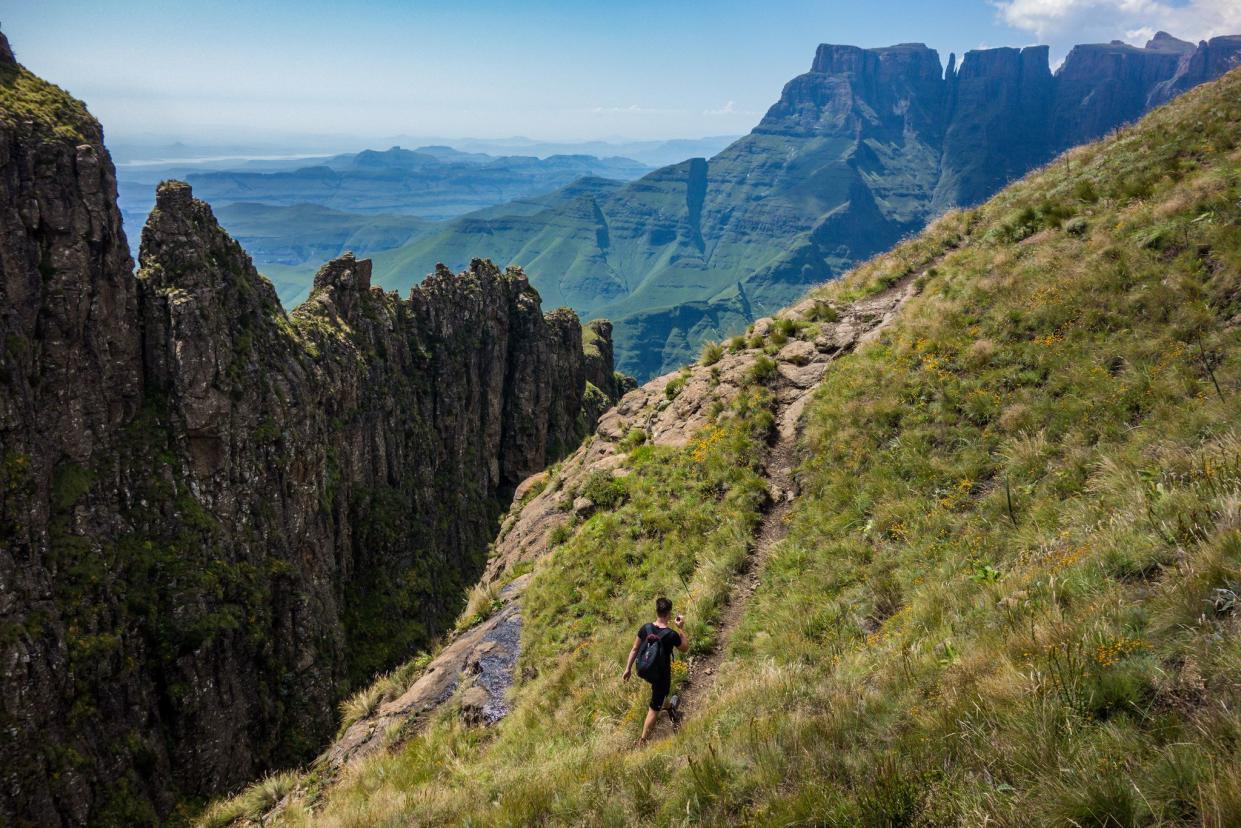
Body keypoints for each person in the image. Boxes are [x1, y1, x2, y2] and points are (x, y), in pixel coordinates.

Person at [621, 596, 689, 745]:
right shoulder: (671, 635)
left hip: (645, 670)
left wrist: (627, 669)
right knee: (654, 707)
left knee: (661, 694)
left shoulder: (645, 628)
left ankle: (669, 707)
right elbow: (684, 648)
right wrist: (681, 628)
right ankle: (643, 741)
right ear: (669, 613)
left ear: (657, 611)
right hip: (661, 675)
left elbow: (634, 649)